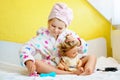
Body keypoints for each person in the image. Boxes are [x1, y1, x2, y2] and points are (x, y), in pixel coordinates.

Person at [19, 2, 96, 76]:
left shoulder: (70, 35)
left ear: (65, 27)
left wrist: (77, 42)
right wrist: (28, 61)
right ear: (48, 22)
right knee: (36, 63)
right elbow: (25, 48)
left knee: (92, 57)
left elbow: (84, 49)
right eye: (53, 26)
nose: (56, 30)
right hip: (52, 66)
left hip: (72, 63)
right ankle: (70, 73)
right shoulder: (41, 37)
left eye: (60, 28)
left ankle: (87, 70)